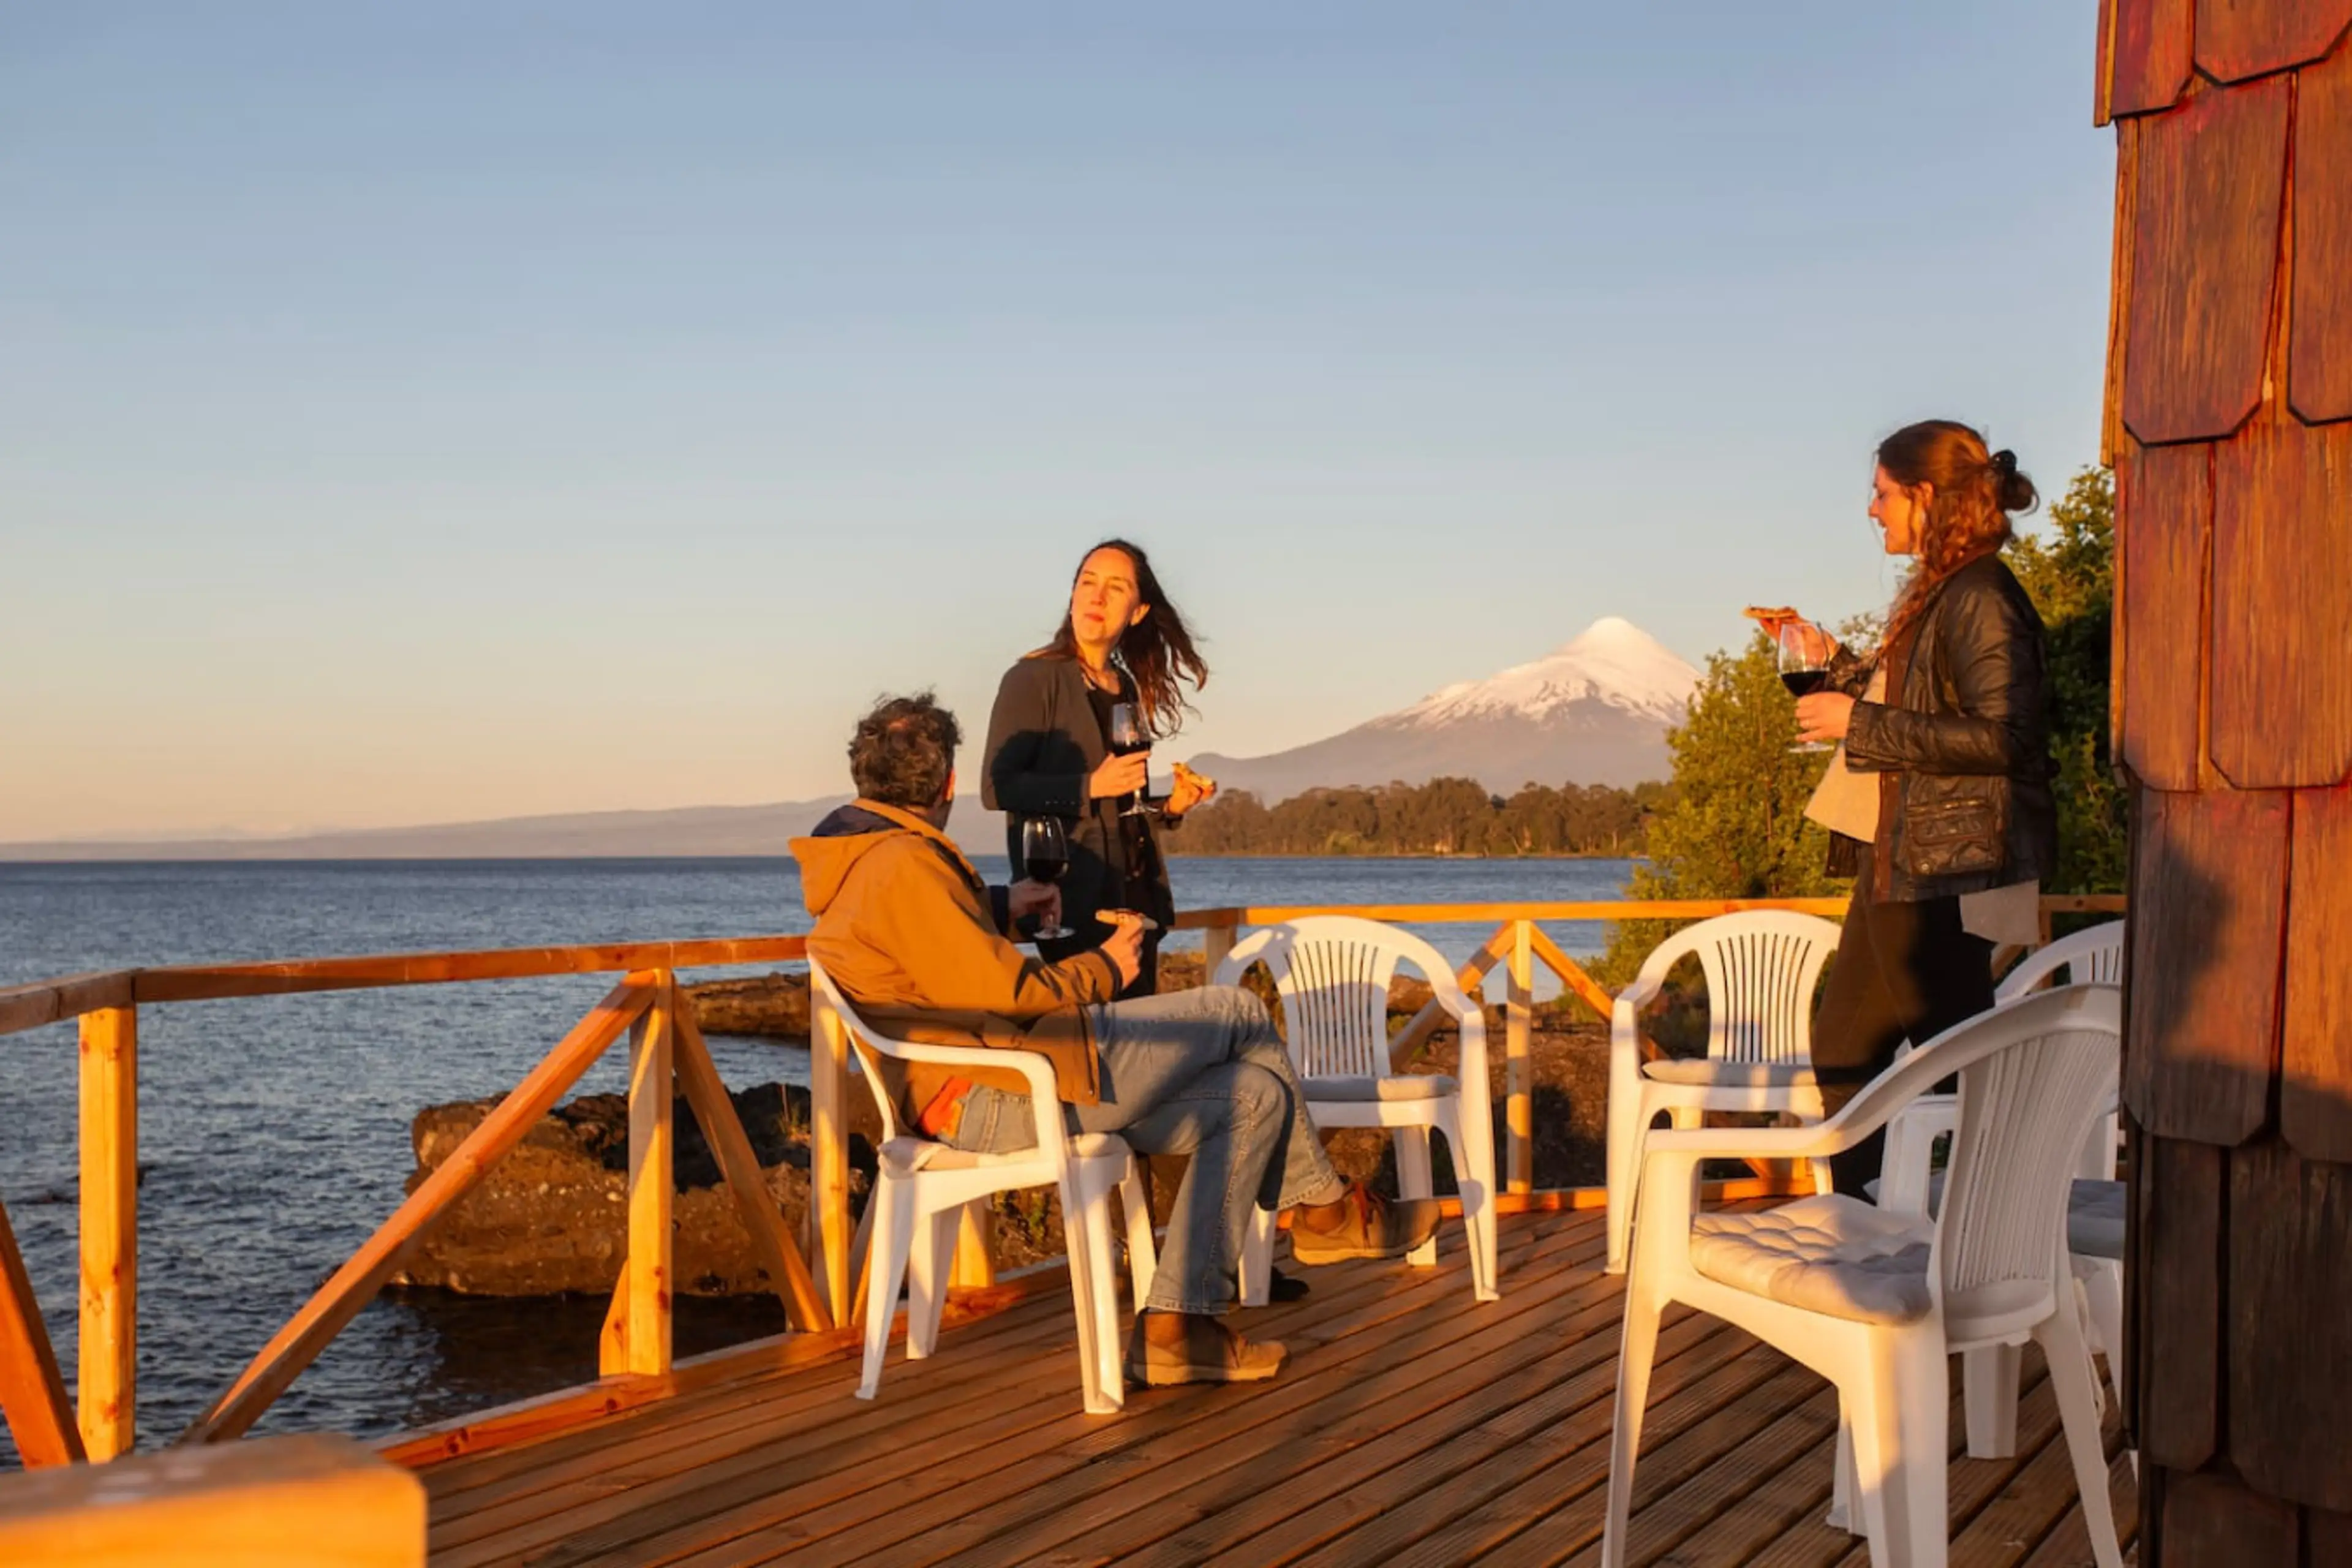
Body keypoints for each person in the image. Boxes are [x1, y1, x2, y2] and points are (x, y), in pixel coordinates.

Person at [793, 692, 1441, 1387]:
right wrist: (1106, 968)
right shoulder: (901, 863)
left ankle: (1176, 1328)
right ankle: (1326, 1210)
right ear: (949, 781)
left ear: (865, 774)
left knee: (1253, 1097)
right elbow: (1008, 992)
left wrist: (1003, 906)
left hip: (998, 1081)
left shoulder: (868, 857)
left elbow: (931, 944)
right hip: (998, 1095)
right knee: (1236, 1011)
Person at [1774, 420, 2058, 1196]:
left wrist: (1857, 723)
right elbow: (1924, 701)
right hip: (1902, 855)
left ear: (1924, 495)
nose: (1872, 510)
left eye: (1882, 494)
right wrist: (1838, 666)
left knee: (1956, 1063)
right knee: (1848, 1054)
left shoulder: (1982, 593)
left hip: (1947, 867)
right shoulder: (1946, 590)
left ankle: (1990, 1229)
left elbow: (2008, 738)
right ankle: (1867, 1226)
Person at [982, 539, 1218, 998]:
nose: (1097, 596)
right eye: (1088, 582)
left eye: (1116, 587)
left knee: (1139, 1034)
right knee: (1099, 1035)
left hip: (1138, 903)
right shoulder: (1032, 678)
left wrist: (1171, 806)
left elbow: (1120, 809)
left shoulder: (1122, 685)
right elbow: (998, 787)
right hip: (1070, 908)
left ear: (1138, 612)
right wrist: (1089, 785)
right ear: (1072, 595)